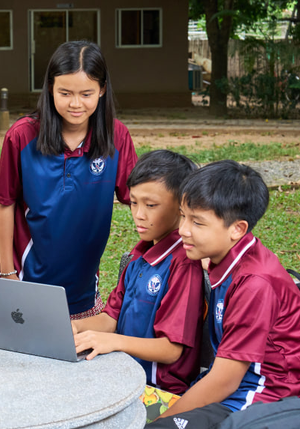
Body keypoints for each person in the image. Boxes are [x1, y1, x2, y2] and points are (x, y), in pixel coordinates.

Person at [63, 161, 300, 429]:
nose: (183, 230)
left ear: (237, 229)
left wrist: (164, 420)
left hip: (256, 404)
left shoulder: (255, 283)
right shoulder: (224, 261)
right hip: (224, 390)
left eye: (197, 222)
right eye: (183, 216)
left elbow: (226, 379)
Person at [0, 40, 137, 318]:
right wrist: (8, 272)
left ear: (102, 89)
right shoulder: (22, 135)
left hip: (82, 290)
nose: (75, 104)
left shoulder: (117, 136)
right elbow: (5, 204)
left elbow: (138, 198)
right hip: (23, 281)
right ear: (50, 88)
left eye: (86, 93)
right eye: (65, 92)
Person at [72, 150, 204, 396]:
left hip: (159, 392)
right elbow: (110, 319)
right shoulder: (138, 257)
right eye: (134, 202)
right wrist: (74, 327)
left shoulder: (184, 265)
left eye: (151, 205)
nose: (139, 214)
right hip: (121, 378)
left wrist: (114, 342)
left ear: (182, 207)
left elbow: (171, 349)